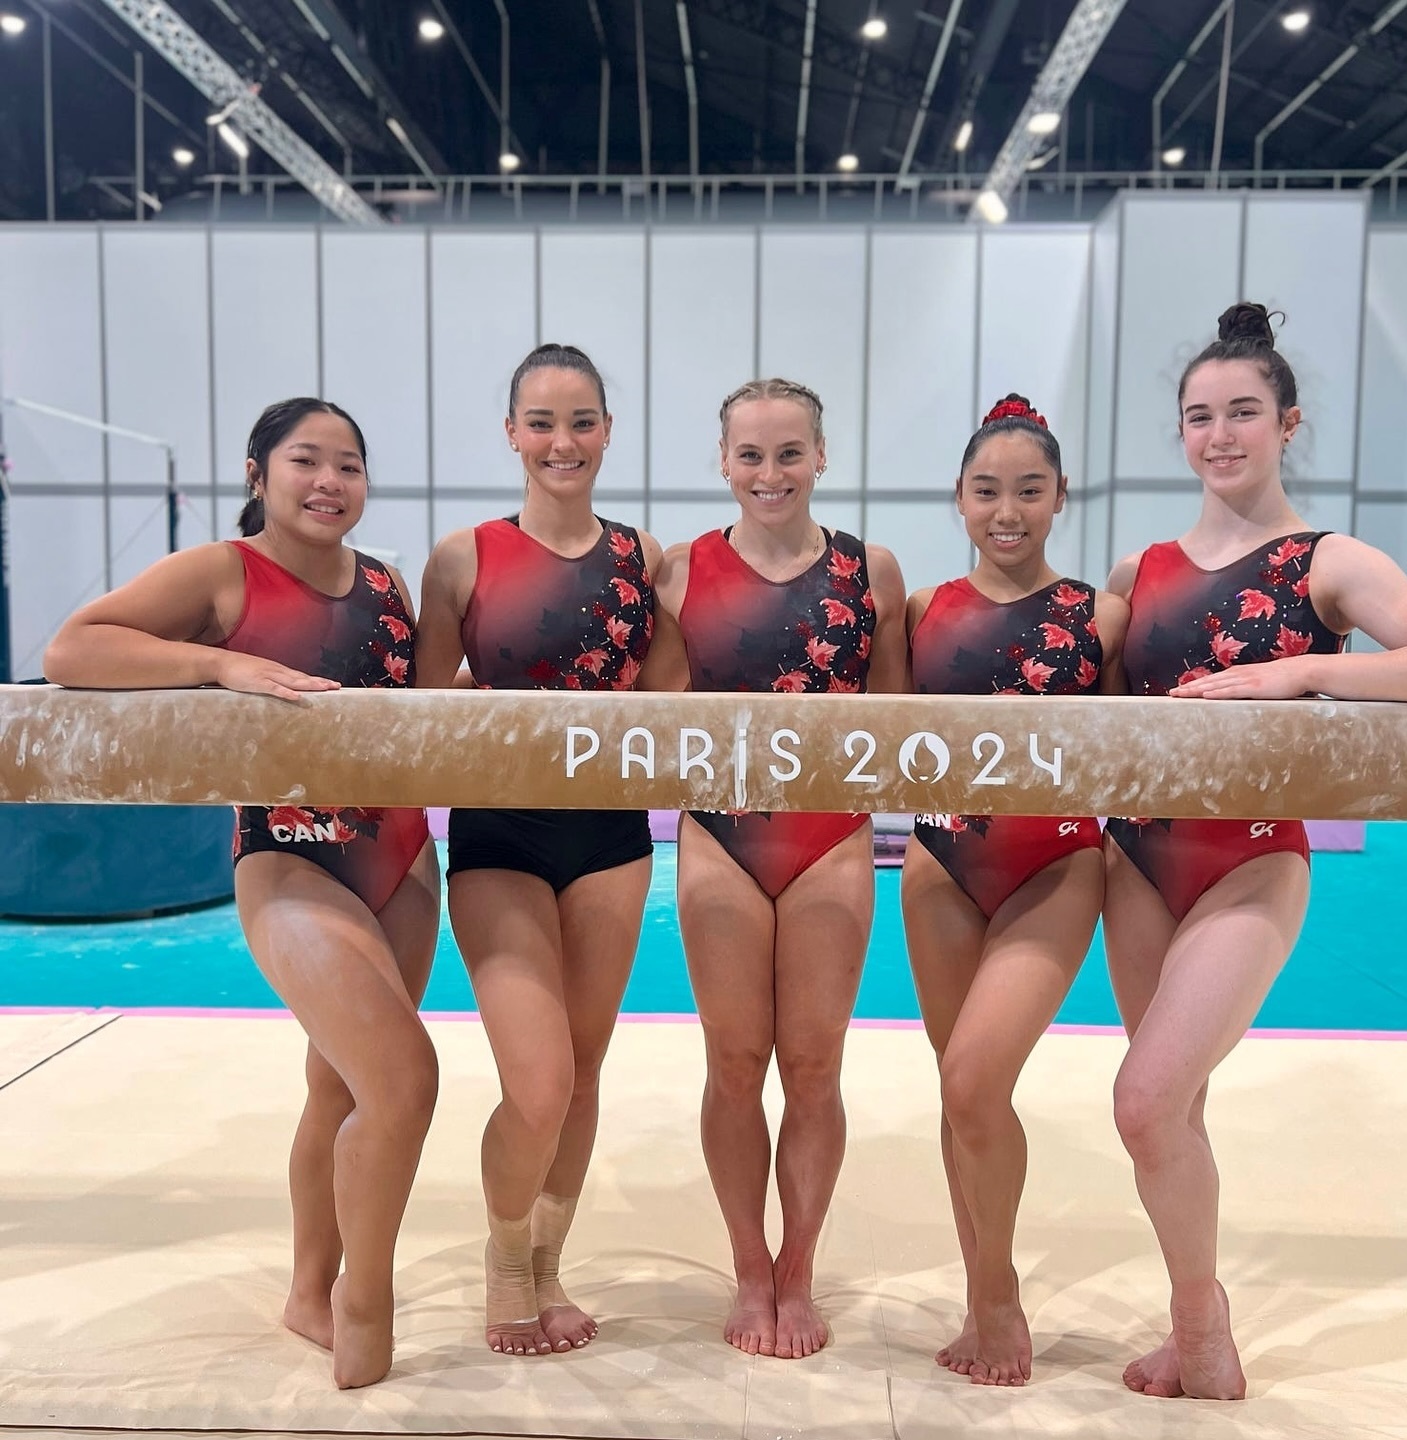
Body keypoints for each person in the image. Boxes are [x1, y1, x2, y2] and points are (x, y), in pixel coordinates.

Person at [44, 398, 440, 1390]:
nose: (329, 482)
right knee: (403, 1082)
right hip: (290, 854)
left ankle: (308, 1291)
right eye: (306, 461)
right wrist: (218, 662)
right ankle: (363, 1303)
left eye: (349, 465)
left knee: (342, 1085)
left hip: (400, 859)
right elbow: (72, 649)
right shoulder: (224, 572)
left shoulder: (387, 582)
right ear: (259, 473)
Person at [1104, 303, 1407, 1401]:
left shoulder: (1328, 561)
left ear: (1287, 423)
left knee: (1143, 1101)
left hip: (1251, 862)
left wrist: (1306, 671)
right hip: (1135, 860)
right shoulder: (1139, 568)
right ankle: (1190, 1329)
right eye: (1200, 416)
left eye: (1243, 412)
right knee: (1175, 1114)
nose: (1221, 435)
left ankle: (1203, 1328)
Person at [415, 343, 681, 1358]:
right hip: (501, 836)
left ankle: (549, 1264)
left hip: (610, 837)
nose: (561, 442)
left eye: (580, 423)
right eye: (541, 422)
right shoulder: (463, 558)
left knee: (584, 1066)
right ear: (512, 433)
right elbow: (421, 709)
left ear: (607, 432)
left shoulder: (643, 558)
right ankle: (504, 1262)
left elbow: (667, 696)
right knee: (540, 1079)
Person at [653, 377, 907, 1360]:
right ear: (724, 462)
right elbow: (654, 711)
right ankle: (748, 1267)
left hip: (829, 834)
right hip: (720, 830)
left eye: (790, 453)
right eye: (751, 455)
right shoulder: (680, 572)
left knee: (811, 1064)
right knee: (732, 1060)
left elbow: (896, 721)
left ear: (822, 457)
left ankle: (797, 1268)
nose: (770, 473)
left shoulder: (869, 570)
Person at [902, 394, 1128, 1387]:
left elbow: (1133, 749)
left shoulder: (1100, 617)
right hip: (941, 864)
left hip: (1057, 862)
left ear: (1060, 497)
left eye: (1029, 491)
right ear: (958, 497)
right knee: (961, 1096)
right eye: (987, 491)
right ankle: (979, 1290)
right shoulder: (922, 614)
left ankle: (998, 1299)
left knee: (972, 1082)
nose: (1007, 511)